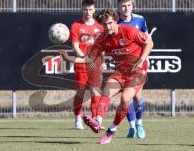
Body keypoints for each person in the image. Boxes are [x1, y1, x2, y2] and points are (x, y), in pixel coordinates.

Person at [60, 9, 154, 144]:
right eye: (104, 24)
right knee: (106, 91)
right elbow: (89, 58)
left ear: (116, 21)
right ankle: (97, 121)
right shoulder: (102, 39)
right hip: (121, 71)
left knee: (125, 99)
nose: (108, 27)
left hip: (138, 70)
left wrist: (140, 61)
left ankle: (111, 131)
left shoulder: (129, 31)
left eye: (110, 23)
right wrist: (69, 58)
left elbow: (149, 43)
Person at [117, 0, 150, 139]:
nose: (126, 8)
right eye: (123, 5)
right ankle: (131, 128)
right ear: (118, 7)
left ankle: (139, 124)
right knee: (125, 98)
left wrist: (142, 60)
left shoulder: (140, 20)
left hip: (139, 64)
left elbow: (147, 41)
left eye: (129, 5)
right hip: (123, 66)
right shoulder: (115, 23)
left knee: (137, 96)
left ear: (132, 6)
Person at [69, 0, 104, 130]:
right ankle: (78, 117)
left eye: (90, 9)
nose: (88, 12)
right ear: (81, 9)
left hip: (96, 64)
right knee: (80, 93)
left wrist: (103, 61)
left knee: (96, 93)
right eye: (85, 9)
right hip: (82, 64)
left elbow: (101, 47)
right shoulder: (76, 25)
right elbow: (75, 46)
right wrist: (84, 58)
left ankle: (95, 119)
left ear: (94, 10)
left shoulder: (100, 27)